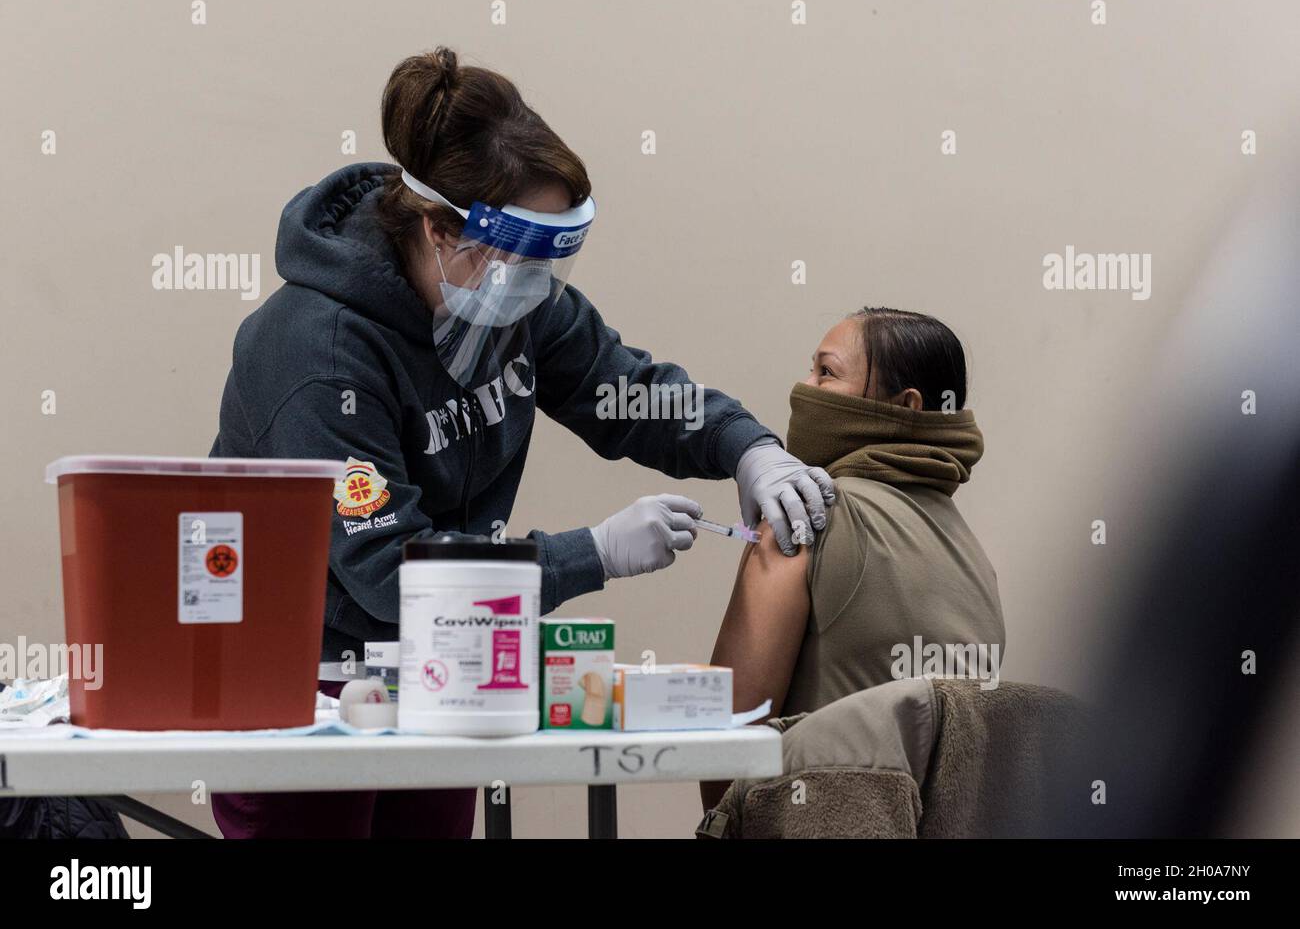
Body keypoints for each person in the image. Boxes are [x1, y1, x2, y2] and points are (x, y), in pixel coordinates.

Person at [207, 47, 832, 838]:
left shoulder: (507, 300)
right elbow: (386, 570)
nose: (536, 284)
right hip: (305, 686)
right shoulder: (316, 352)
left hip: (438, 670)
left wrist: (746, 446)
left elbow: (627, 390)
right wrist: (589, 553)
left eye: (551, 258)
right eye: (521, 257)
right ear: (438, 229)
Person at [703, 308, 1004, 808]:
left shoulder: (803, 520)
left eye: (827, 372)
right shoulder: (974, 557)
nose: (805, 387)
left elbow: (728, 737)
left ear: (902, 404)